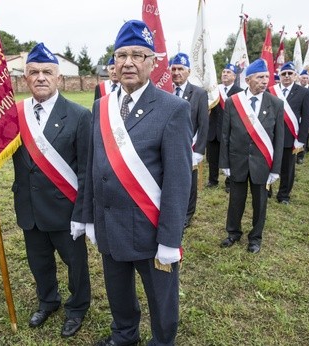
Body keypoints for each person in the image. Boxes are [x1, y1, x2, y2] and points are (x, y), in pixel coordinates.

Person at [83, 20, 192, 346]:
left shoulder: (174, 109)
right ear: (113, 62)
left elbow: (178, 181)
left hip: (150, 227)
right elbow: (92, 165)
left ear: (153, 62)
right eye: (121, 55)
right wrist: (90, 216)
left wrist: (170, 240)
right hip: (110, 222)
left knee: (161, 299)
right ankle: (125, 334)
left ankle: (162, 341)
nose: (128, 62)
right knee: (117, 291)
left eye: (138, 55)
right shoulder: (102, 107)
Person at [12, 42, 91, 337]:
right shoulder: (15, 114)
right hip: (29, 205)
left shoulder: (79, 115)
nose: (41, 77)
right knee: (38, 261)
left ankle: (78, 306)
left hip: (65, 207)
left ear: (59, 78)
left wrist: (82, 213)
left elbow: (85, 169)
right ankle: (47, 301)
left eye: (47, 71)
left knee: (76, 264)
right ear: (25, 78)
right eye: (34, 72)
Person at [219, 58, 284, 254]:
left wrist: (275, 168)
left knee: (260, 202)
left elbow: (279, 139)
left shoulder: (276, 103)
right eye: (260, 77)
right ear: (248, 80)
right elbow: (225, 134)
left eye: (267, 77)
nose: (265, 81)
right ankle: (233, 233)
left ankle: (255, 238)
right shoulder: (233, 102)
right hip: (237, 160)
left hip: (262, 162)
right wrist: (225, 163)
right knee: (236, 200)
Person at [170, 52, 208, 228]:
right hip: (168, 145)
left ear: (188, 71)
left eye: (181, 69)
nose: (177, 72)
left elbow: (203, 124)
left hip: (190, 148)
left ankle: (187, 214)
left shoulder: (199, 93)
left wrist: (199, 150)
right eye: (174, 68)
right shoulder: (165, 91)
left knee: (189, 183)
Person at [269, 62, 309, 204]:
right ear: (279, 76)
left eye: (289, 74)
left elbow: (306, 117)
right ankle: (267, 189)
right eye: (283, 74)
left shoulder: (304, 92)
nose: (286, 76)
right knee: (268, 164)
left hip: (290, 137)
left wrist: (301, 139)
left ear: (295, 76)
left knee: (287, 168)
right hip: (271, 136)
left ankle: (284, 195)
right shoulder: (271, 91)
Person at [206, 63, 242, 191]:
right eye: (224, 72)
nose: (225, 74)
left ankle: (229, 182)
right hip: (213, 129)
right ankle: (212, 180)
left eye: (228, 72)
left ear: (234, 76)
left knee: (229, 157)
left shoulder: (239, 92)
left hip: (229, 131)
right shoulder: (214, 90)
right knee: (212, 157)